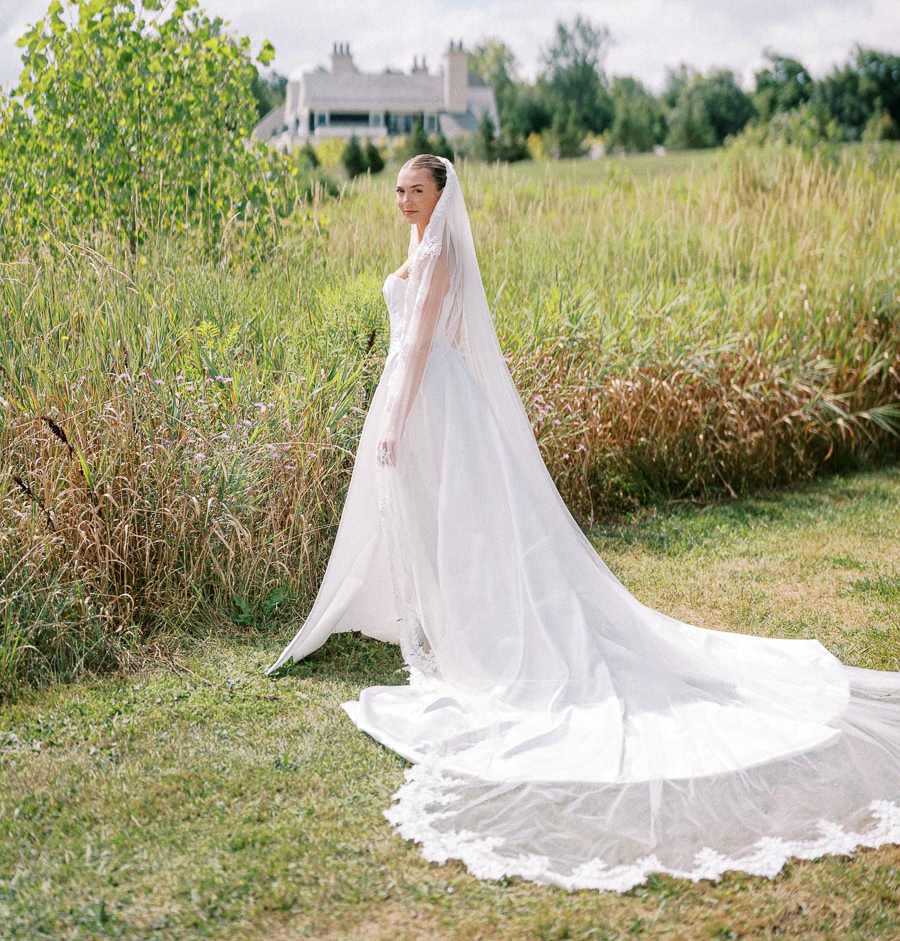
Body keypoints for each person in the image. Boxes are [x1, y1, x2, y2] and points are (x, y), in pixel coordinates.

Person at [268, 153, 900, 892]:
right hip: (417, 397)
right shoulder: (417, 245)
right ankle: (441, 620)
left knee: (461, 525)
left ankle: (474, 630)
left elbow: (420, 344)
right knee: (429, 520)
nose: (405, 200)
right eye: (400, 191)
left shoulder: (442, 252)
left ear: (443, 197)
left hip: (433, 400)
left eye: (417, 190)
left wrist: (396, 421)